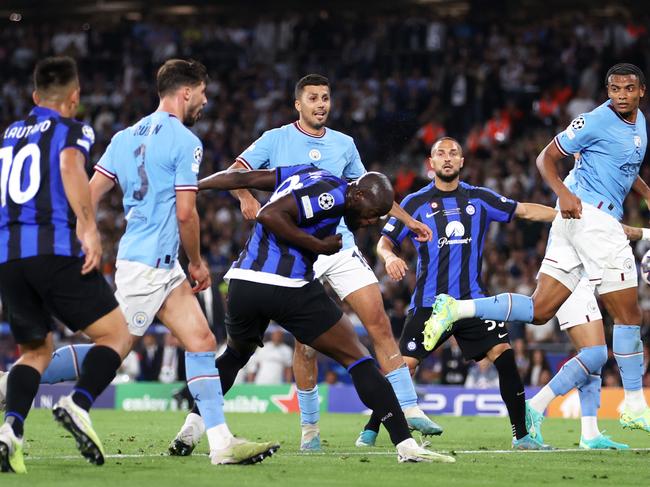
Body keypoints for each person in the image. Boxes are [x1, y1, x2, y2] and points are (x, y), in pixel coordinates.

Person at [1, 59, 279, 466]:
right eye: (202, 92)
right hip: (147, 264)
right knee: (114, 344)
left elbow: (90, 195)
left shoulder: (123, 137)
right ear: (186, 92)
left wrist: (81, 230)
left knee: (201, 340)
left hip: (157, 264)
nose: (205, 100)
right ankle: (16, 385)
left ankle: (221, 441)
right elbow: (187, 212)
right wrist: (199, 262)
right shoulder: (186, 141)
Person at [172, 73, 441, 454]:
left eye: (326, 97)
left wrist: (193, 185)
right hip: (298, 269)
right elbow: (245, 176)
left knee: (372, 321)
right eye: (313, 97)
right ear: (298, 103)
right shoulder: (283, 145)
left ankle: (192, 427)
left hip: (258, 273)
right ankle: (336, 434)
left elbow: (371, 193)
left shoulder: (334, 155)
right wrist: (249, 201)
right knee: (343, 353)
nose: (321, 104)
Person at [424, 63, 650, 433]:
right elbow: (544, 158)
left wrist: (647, 196)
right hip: (592, 217)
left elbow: (628, 167)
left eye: (628, 89)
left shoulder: (639, 122)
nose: (621, 96)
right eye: (614, 89)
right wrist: (563, 192)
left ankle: (457, 308)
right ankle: (635, 404)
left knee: (541, 309)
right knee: (629, 316)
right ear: (606, 91)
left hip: (576, 222)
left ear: (641, 91)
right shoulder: (593, 121)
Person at [189, 163, 455, 463]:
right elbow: (268, 214)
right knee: (358, 358)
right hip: (286, 285)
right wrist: (318, 245)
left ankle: (192, 426)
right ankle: (405, 445)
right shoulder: (332, 195)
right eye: (370, 214)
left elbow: (243, 177)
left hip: (243, 284)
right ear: (358, 194)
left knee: (235, 356)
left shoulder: (307, 172)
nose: (369, 222)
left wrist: (194, 185)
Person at [356, 137, 555, 450]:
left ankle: (522, 436)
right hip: (430, 303)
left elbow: (524, 210)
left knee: (504, 358)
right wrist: (391, 257)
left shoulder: (480, 198)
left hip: (472, 302)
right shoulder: (414, 203)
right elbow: (384, 242)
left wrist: (566, 213)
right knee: (404, 366)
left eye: (453, 153)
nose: (447, 158)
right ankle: (371, 428)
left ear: (462, 162)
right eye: (440, 154)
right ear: (431, 163)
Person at [0, 57, 131, 473]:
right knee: (116, 335)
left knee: (35, 352)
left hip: (10, 256)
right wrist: (88, 228)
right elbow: (70, 166)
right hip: (53, 248)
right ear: (74, 97)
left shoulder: (8, 135)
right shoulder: (73, 130)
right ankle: (78, 404)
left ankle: (10, 431)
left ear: (36, 97)